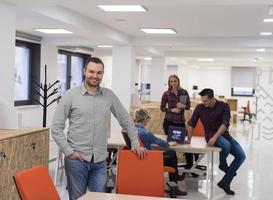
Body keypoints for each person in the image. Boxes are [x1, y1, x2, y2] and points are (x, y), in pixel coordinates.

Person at [51, 57, 147, 200]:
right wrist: (69, 152)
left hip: (100, 162)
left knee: (99, 198)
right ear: (84, 71)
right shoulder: (71, 95)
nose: (95, 76)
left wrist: (135, 143)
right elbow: (56, 127)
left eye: (99, 73)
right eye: (91, 71)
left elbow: (126, 120)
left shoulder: (109, 96)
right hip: (77, 161)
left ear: (102, 74)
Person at [186, 88, 246, 195]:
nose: (203, 103)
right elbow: (191, 123)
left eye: (205, 101)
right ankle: (225, 170)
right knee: (226, 146)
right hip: (209, 134)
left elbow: (225, 123)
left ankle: (224, 179)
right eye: (202, 101)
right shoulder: (200, 108)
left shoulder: (224, 106)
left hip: (223, 135)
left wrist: (216, 137)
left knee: (241, 155)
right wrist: (189, 139)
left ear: (212, 98)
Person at [134, 108, 187, 196]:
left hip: (138, 157)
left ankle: (175, 178)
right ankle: (175, 183)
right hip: (148, 158)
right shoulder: (145, 133)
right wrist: (169, 143)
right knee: (172, 154)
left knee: (170, 157)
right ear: (145, 119)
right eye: (148, 119)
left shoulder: (132, 129)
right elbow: (162, 143)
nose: (148, 122)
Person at [160, 74, 196, 174]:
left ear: (178, 81)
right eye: (171, 81)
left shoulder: (184, 92)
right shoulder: (166, 93)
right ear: (169, 83)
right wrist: (171, 110)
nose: (173, 83)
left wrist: (182, 106)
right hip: (169, 122)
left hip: (180, 122)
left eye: (175, 81)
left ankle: (190, 167)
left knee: (185, 145)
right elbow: (162, 108)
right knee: (171, 146)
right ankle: (173, 169)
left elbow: (188, 106)